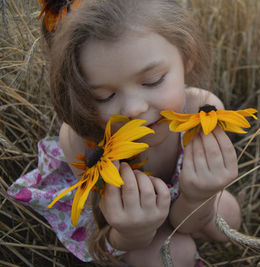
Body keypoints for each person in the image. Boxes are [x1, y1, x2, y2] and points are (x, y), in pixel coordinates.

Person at [8, 0, 241, 266]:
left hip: (190, 204)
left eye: (152, 81)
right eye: (104, 96)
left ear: (186, 55)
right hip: (126, 222)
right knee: (174, 256)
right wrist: (133, 232)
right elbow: (106, 235)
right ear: (78, 95)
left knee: (229, 217)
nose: (134, 108)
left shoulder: (203, 114)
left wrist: (199, 197)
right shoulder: (81, 143)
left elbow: (190, 221)